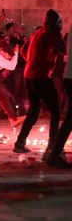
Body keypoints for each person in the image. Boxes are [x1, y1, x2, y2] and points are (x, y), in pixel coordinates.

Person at [13, 9, 66, 158]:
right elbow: (64, 50)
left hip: (29, 76)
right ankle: (52, 146)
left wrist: (32, 60)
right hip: (41, 76)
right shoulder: (53, 34)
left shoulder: (38, 32)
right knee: (55, 110)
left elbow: (23, 49)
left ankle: (20, 143)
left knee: (34, 111)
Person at [46, 22, 72, 168]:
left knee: (70, 118)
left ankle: (54, 153)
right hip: (71, 76)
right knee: (70, 119)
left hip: (69, 75)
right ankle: (54, 153)